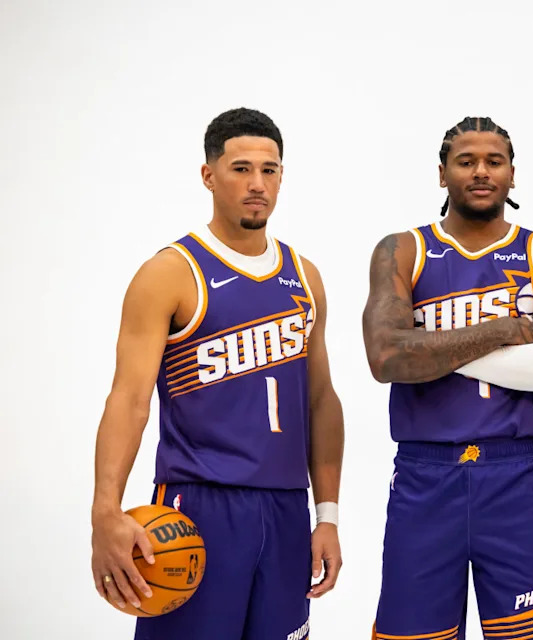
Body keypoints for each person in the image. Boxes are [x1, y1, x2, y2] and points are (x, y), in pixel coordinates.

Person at [90, 107, 345, 639]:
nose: (257, 184)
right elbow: (129, 400)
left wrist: (328, 515)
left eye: (270, 170)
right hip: (199, 508)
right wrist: (105, 512)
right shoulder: (170, 273)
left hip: (285, 508)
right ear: (209, 175)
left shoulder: (305, 277)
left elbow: (321, 400)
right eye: (241, 169)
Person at [362, 117, 533, 640]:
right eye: (465, 162)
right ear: (442, 175)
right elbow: (384, 358)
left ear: (512, 175)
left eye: (493, 161)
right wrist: (502, 330)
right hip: (424, 475)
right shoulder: (403, 250)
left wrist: (426, 350)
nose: (480, 172)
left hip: (515, 475)